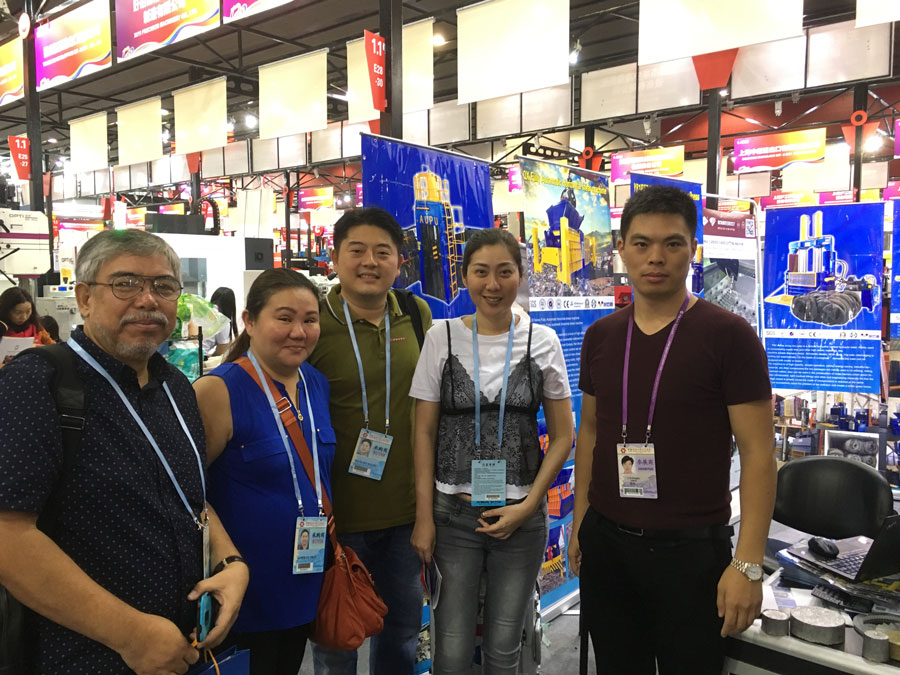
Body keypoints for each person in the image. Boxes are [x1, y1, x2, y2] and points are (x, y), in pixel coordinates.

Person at [0, 229, 249, 674]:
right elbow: (8, 534)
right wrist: (131, 634)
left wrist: (230, 562)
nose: (148, 300)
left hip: (184, 646)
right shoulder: (37, 383)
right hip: (87, 656)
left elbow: (188, 497)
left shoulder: (175, 386)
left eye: (164, 286)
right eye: (126, 283)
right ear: (85, 298)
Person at [570, 186, 775, 674]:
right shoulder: (601, 336)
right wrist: (580, 525)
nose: (656, 257)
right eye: (642, 243)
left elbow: (758, 454)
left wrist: (748, 564)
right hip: (608, 545)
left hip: (692, 554)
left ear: (693, 249)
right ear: (621, 248)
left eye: (673, 243)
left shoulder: (729, 336)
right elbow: (591, 434)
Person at [410, 228, 574, 674]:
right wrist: (424, 517)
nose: (493, 284)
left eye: (505, 272)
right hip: (453, 516)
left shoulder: (542, 340)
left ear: (520, 275)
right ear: (465, 276)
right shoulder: (441, 337)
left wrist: (530, 505)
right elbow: (422, 432)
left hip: (521, 517)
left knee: (505, 649)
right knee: (451, 652)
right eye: (481, 272)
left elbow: (564, 435)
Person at [309, 206, 432, 675]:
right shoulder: (313, 321)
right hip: (338, 515)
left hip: (405, 513)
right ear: (335, 259)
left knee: (401, 632)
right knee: (336, 640)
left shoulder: (416, 314)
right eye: (356, 250)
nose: (369, 262)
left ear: (399, 261)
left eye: (383, 252)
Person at [194, 268, 335, 675]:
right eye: (284, 318)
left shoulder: (316, 383)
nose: (299, 332)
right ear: (250, 321)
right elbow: (186, 492)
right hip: (243, 587)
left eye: (309, 320)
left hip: (303, 575)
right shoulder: (218, 390)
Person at [203, 287, 238, 357]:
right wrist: (211, 356)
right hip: (198, 357)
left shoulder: (203, 311)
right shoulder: (223, 320)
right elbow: (222, 349)